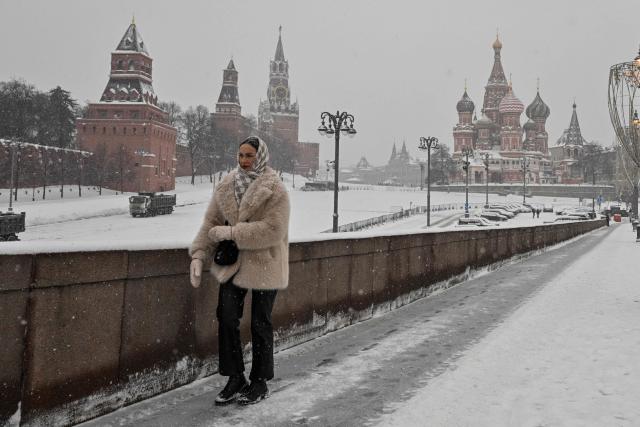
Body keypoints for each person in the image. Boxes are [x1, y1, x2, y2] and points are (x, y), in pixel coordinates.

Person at [189, 136, 290, 406]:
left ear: (261, 158)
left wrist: (233, 232)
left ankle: (259, 382)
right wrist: (199, 254)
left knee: (260, 322)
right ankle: (236, 377)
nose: (244, 160)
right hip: (235, 263)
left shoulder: (275, 188)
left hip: (266, 262)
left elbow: (274, 230)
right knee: (227, 317)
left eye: (249, 156)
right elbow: (211, 222)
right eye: (241, 155)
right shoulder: (226, 184)